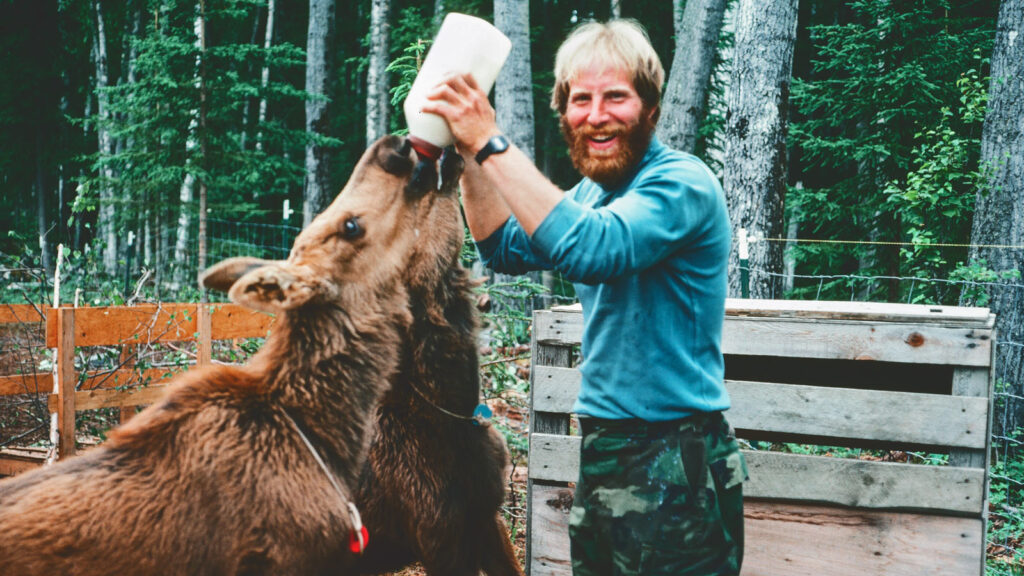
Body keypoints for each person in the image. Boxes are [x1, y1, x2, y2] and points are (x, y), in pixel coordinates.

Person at [422, 19, 746, 576]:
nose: (596, 114)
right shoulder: (595, 192)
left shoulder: (681, 184)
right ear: (565, 112)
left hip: (676, 455)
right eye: (581, 99)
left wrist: (490, 142)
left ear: (651, 107)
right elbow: (503, 247)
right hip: (607, 450)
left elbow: (594, 249)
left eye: (615, 96)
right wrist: (469, 160)